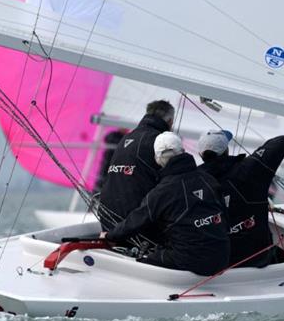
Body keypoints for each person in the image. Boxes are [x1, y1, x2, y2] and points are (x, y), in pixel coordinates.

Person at [102, 132, 230, 276]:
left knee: (141, 261)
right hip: (222, 257)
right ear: (183, 151)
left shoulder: (162, 192)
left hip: (190, 261)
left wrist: (110, 236)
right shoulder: (209, 180)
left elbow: (136, 221)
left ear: (158, 160)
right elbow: (224, 217)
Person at [197, 130, 284, 267]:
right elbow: (283, 140)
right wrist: (255, 158)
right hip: (257, 259)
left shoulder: (192, 181)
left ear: (200, 154)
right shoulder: (250, 169)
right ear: (227, 150)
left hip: (216, 261)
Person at [98, 100, 174, 233]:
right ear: (170, 122)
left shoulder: (126, 138)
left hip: (107, 219)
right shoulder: (160, 141)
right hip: (135, 226)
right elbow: (172, 185)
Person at [93, 128, 128, 193]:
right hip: (107, 166)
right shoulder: (113, 135)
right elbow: (107, 138)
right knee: (101, 183)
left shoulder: (126, 138)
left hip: (117, 167)